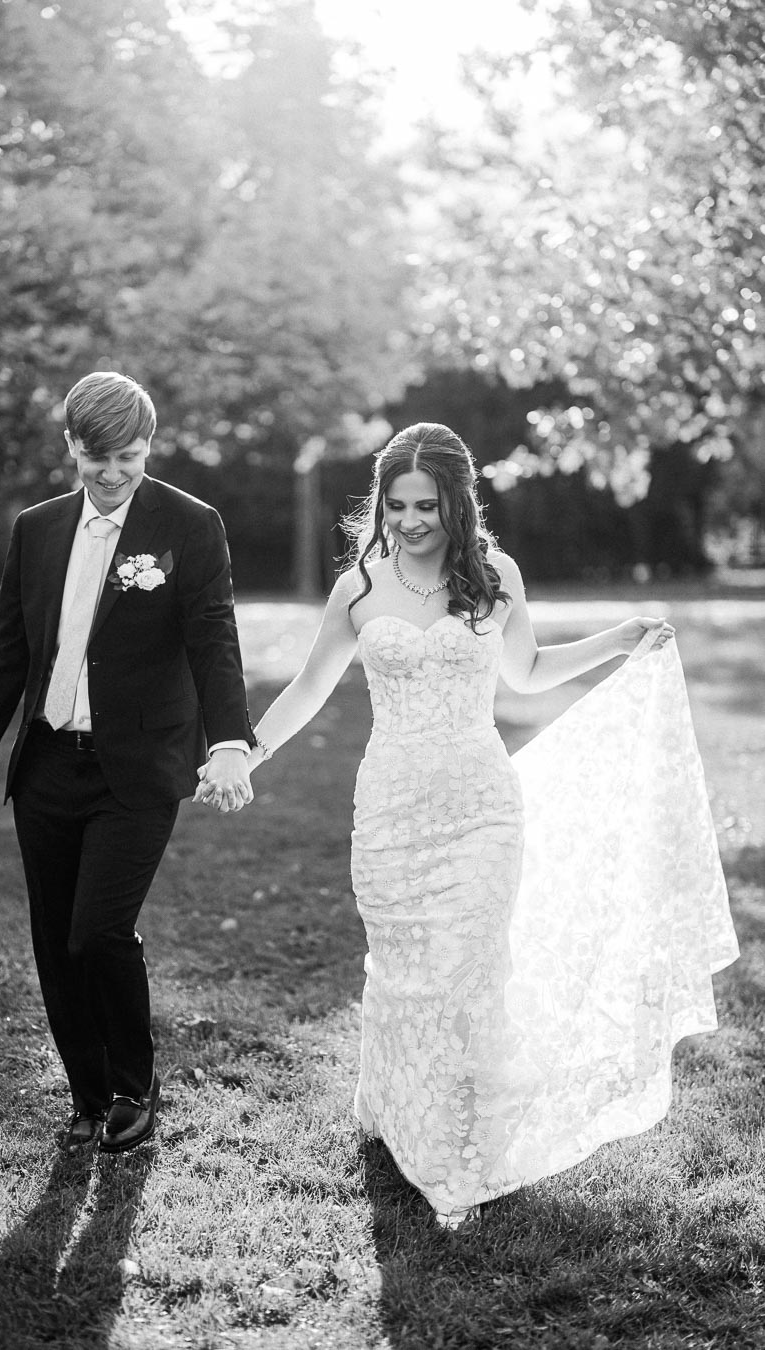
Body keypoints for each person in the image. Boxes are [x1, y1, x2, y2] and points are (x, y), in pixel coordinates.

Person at [196, 421, 737, 1226]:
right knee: (405, 969)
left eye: (428, 505)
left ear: (458, 501)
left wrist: (618, 641)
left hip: (482, 809)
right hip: (389, 809)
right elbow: (308, 689)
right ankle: (394, 1108)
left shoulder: (496, 576)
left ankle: (457, 1153)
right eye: (398, 504)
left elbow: (525, 673)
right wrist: (244, 750)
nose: (411, 521)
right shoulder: (360, 587)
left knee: (469, 973)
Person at [0, 371, 255, 1155]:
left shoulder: (189, 524)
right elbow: (8, 645)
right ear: (71, 448)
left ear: (149, 447)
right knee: (55, 939)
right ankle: (87, 1097)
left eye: (130, 456)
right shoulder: (39, 528)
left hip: (138, 764)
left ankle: (133, 1084)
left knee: (98, 931)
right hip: (49, 761)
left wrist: (230, 741)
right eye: (97, 458)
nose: (114, 473)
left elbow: (213, 638)